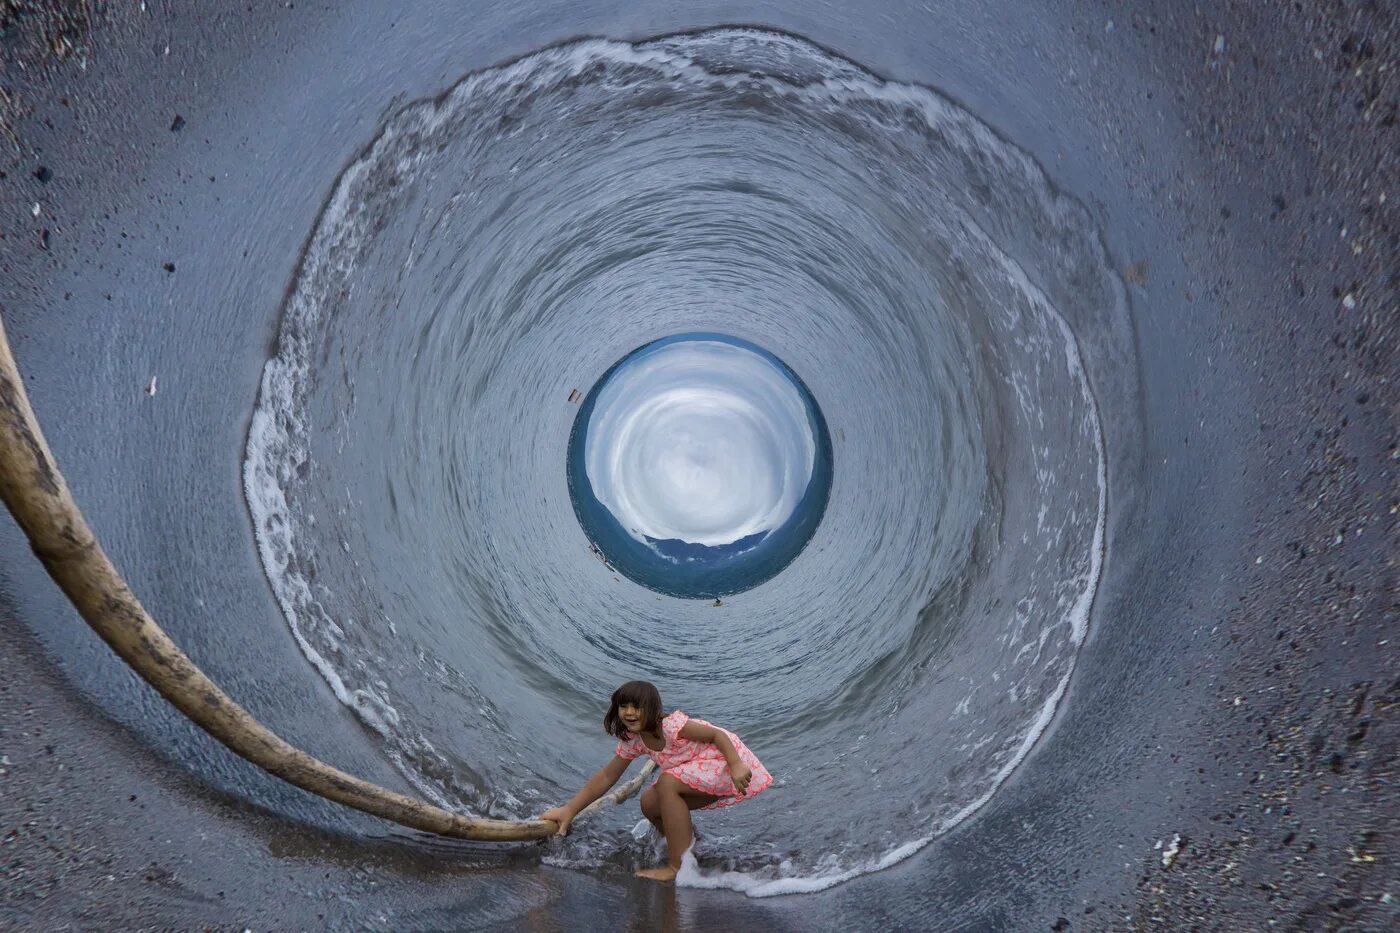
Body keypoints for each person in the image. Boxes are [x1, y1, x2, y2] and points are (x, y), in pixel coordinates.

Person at [541, 679, 773, 882]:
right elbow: (607, 776)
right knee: (649, 803)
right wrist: (569, 810)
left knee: (667, 783)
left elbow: (716, 735)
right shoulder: (634, 739)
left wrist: (735, 765)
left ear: (652, 709)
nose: (629, 712)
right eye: (624, 706)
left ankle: (678, 867)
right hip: (694, 770)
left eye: (637, 707)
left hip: (725, 761)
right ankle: (684, 844)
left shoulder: (671, 726)